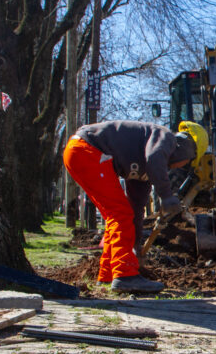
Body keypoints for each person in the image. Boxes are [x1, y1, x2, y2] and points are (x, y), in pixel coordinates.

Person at [63, 120, 204, 293]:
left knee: (118, 215)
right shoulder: (165, 137)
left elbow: (135, 213)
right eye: (189, 162)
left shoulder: (143, 171)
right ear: (186, 151)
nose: (181, 167)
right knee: (120, 214)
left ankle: (108, 275)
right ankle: (124, 276)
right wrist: (167, 196)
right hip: (86, 149)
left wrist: (135, 248)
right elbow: (155, 158)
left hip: (80, 152)